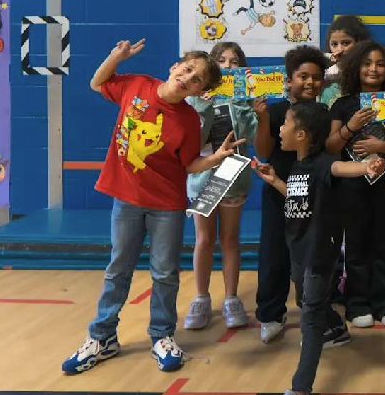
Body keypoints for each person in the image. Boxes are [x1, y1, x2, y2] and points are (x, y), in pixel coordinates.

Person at [62, 40, 241, 375]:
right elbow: (97, 82)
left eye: (198, 79)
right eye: (188, 69)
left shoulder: (188, 120)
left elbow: (187, 164)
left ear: (201, 89)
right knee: (118, 269)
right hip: (127, 199)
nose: (189, 77)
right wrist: (116, 56)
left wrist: (214, 159)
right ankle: (102, 338)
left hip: (166, 205)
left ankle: (162, 335)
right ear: (175, 66)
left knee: (164, 273)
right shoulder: (137, 85)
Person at [255, 101, 385, 395]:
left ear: (301, 135)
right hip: (299, 251)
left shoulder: (323, 163)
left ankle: (301, 387)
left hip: (319, 253)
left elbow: (342, 167)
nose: (279, 129)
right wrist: (276, 180)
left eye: (285, 124)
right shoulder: (299, 167)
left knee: (310, 316)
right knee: (305, 300)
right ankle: (338, 330)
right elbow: (297, 195)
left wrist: (365, 166)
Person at [325, 40, 385, 328]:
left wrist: (381, 146)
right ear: (356, 67)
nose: (373, 69)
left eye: (380, 64)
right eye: (367, 63)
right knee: (357, 244)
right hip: (352, 185)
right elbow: (331, 145)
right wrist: (351, 127)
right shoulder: (342, 103)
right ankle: (357, 303)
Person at [253, 45, 331, 344]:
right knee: (273, 256)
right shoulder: (274, 111)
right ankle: (271, 313)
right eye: (303, 76)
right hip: (278, 190)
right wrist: (261, 119)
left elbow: (330, 151)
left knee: (311, 259)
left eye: (316, 77)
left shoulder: (324, 114)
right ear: (289, 80)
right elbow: (263, 150)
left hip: (313, 197)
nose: (310, 82)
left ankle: (315, 313)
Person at [184, 41, 258, 331]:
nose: (228, 66)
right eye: (222, 61)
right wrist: (202, 103)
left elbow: (250, 137)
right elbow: (192, 140)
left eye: (235, 61)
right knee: (203, 240)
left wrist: (246, 108)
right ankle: (201, 297)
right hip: (203, 178)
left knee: (230, 239)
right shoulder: (194, 98)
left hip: (234, 176)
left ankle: (231, 298)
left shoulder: (243, 100)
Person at [320, 15, 372, 108]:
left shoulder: (367, 70)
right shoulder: (325, 69)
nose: (340, 49)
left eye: (346, 43)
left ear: (359, 43)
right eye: (334, 44)